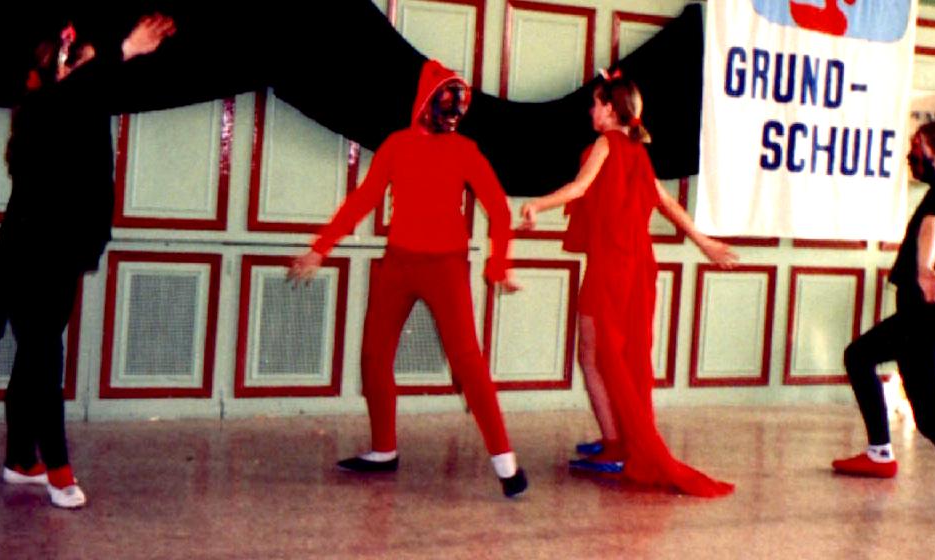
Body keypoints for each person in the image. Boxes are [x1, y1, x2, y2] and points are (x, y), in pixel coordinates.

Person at [288, 60, 527, 498]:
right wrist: (321, 247)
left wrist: (499, 264)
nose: (453, 113)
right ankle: (383, 450)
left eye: (458, 106)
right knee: (374, 355)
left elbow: (498, 208)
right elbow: (364, 199)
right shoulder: (397, 145)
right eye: (446, 103)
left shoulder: (465, 150)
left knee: (468, 362)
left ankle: (506, 463)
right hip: (398, 264)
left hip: (446, 267)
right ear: (426, 102)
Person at [0, 14, 176, 509]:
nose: (84, 65)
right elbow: (74, 95)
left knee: (33, 357)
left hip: (53, 253)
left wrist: (111, 59)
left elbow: (88, 95)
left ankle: (21, 459)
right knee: (44, 358)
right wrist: (124, 50)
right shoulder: (44, 109)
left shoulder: (74, 108)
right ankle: (59, 470)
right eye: (73, 60)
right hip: (30, 257)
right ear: (57, 70)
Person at [519, 70, 736, 497]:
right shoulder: (638, 151)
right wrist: (704, 241)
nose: (590, 110)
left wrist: (537, 205)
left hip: (612, 265)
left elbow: (580, 188)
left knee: (594, 354)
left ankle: (616, 444)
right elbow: (667, 202)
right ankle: (616, 436)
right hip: (636, 265)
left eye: (595, 104)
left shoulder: (607, 144)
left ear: (609, 109)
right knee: (614, 354)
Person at [832, 119, 935, 521]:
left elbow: (930, 232)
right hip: (933, 313)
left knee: (931, 419)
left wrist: (923, 267)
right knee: (860, 357)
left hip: (925, 316)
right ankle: (879, 453)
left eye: (920, 145)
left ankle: (882, 454)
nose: (912, 153)